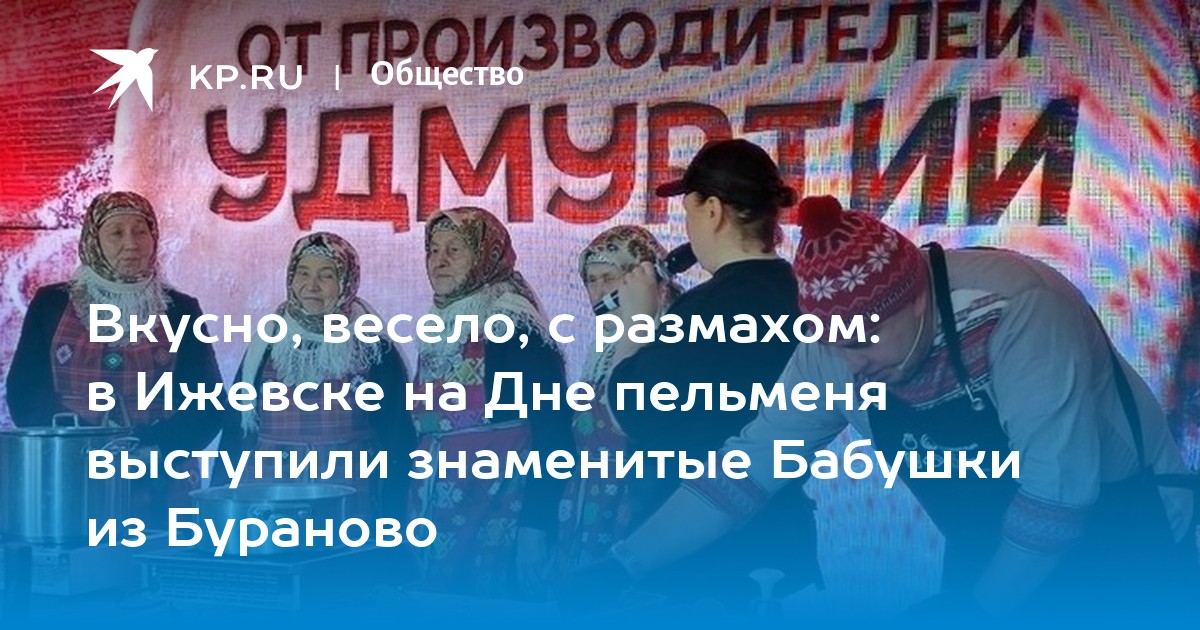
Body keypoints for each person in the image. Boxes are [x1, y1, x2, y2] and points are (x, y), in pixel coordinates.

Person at [601, 196, 1198, 619]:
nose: (852, 362)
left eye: (863, 341)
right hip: (990, 551)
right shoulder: (833, 350)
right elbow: (745, 472)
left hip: (1127, 546)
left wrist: (977, 612)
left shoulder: (1018, 309)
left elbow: (1059, 496)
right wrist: (624, 564)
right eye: (835, 343)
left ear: (916, 300)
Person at [600, 139, 821, 606]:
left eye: (689, 211)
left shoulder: (706, 309)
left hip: (697, 551)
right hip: (781, 537)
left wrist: (635, 322)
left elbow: (629, 414)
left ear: (714, 211)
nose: (688, 226)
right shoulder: (802, 292)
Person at [6, 191, 226, 520]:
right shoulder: (51, 305)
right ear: (93, 241)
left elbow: (207, 404)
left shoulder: (181, 310)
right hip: (66, 475)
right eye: (116, 233)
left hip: (160, 479)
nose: (131, 244)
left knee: (153, 550)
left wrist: (153, 449)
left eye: (140, 231)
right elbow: (25, 394)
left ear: (154, 237)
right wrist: (81, 446)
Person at [409, 206, 573, 598]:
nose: (440, 261)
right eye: (434, 250)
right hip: (434, 509)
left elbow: (552, 433)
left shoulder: (515, 328)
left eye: (455, 249)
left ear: (485, 256)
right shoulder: (441, 325)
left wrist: (536, 526)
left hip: (498, 511)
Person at [218, 232, 414, 518]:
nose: (312, 286)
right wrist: (222, 507)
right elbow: (237, 431)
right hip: (270, 498)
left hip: (351, 498)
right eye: (303, 273)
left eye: (326, 276)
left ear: (346, 282)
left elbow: (397, 438)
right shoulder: (266, 344)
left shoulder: (373, 349)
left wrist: (392, 517)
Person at [556, 226, 682, 572]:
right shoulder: (603, 345)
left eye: (609, 278)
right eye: (591, 280)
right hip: (591, 498)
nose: (599, 291)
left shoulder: (670, 337)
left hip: (641, 499)